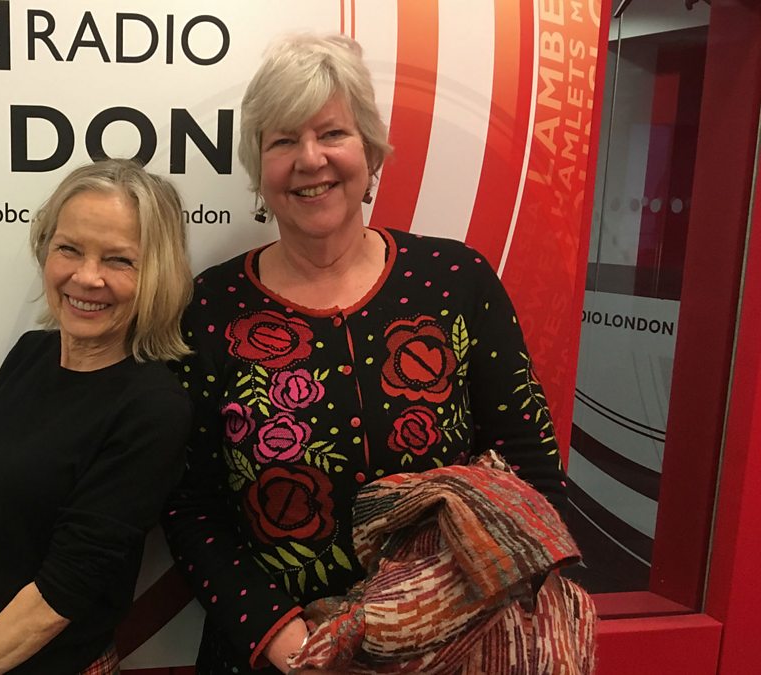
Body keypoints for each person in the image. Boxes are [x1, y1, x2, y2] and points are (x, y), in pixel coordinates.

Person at [162, 33, 568, 674]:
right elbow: (190, 503)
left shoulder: (454, 279)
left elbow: (531, 467)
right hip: (278, 657)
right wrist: (291, 644)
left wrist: (430, 620)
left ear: (372, 152)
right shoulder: (210, 308)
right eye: (282, 141)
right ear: (257, 167)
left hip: (456, 645)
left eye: (332, 133)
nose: (310, 159)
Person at [0, 159, 194, 675]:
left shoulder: (153, 409)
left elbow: (64, 590)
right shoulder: (30, 354)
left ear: (157, 272)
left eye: (119, 260)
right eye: (69, 248)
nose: (86, 277)